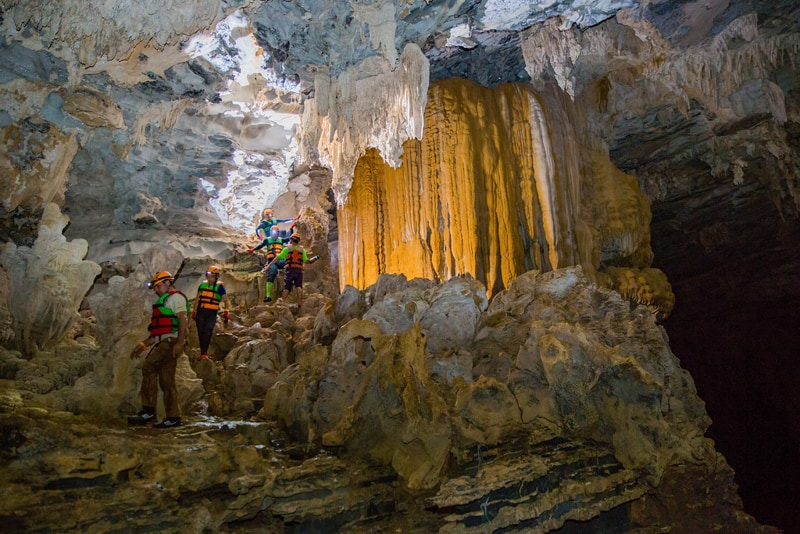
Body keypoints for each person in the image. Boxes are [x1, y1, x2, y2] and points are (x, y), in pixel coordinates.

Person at [128, 271, 189, 428]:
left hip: (170, 342)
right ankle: (173, 417)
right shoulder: (164, 301)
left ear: (168, 283)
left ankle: (148, 410)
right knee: (166, 380)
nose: (156, 290)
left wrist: (180, 342)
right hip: (165, 341)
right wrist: (142, 345)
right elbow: (158, 334)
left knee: (148, 368)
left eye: (158, 286)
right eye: (155, 287)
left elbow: (183, 319)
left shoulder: (176, 298)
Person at [266, 233, 318, 307]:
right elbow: (307, 261)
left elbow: (277, 258)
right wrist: (314, 259)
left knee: (287, 287)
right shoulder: (302, 250)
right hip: (299, 271)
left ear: (291, 240)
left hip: (290, 270)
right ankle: (299, 302)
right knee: (299, 286)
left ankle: (283, 302)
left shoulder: (287, 249)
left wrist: (269, 265)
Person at [191, 265, 230, 359]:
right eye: (208, 276)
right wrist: (194, 311)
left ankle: (204, 352)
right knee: (201, 330)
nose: (209, 278)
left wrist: (226, 312)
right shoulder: (202, 285)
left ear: (216, 277)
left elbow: (226, 300)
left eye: (212, 276)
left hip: (212, 312)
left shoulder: (220, 287)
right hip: (201, 311)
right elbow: (197, 299)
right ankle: (203, 351)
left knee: (208, 330)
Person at [249, 226, 289, 302]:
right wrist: (253, 249)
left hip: (281, 261)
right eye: (274, 232)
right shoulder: (267, 240)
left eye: (277, 232)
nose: (275, 234)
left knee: (291, 266)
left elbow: (290, 239)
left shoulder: (282, 240)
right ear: (271, 232)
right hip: (272, 261)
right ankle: (267, 296)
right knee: (272, 273)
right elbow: (260, 246)